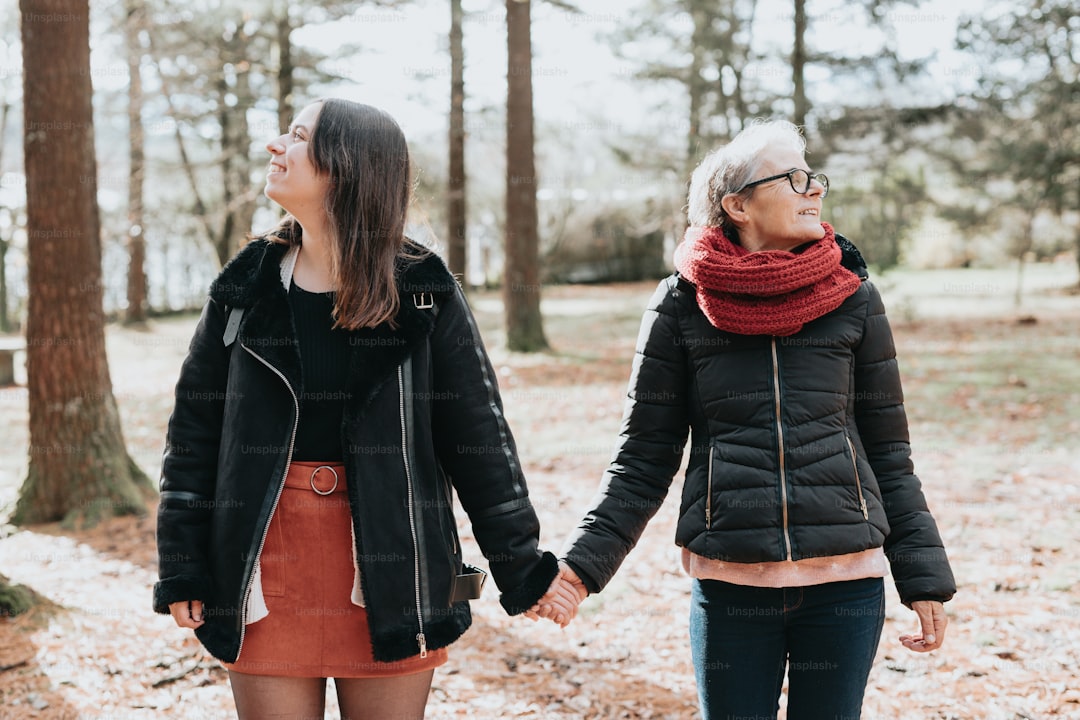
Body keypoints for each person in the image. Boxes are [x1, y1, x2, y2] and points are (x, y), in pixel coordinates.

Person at [154, 98, 578, 719]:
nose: (276, 145)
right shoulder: (245, 284)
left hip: (395, 565)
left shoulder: (423, 288)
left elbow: (477, 437)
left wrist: (522, 566)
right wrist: (183, 564)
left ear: (346, 167)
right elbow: (193, 433)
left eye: (297, 136)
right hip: (261, 567)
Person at [536, 119, 956, 719]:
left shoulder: (854, 296)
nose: (815, 190)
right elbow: (643, 458)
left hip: (845, 587)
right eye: (794, 178)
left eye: (815, 179)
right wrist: (579, 573)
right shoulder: (680, 304)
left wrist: (923, 575)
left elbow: (889, 451)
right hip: (732, 588)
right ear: (737, 204)